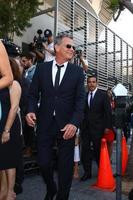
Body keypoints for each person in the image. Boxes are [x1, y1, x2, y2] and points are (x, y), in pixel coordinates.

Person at [26, 34, 85, 200]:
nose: (72, 49)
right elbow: (32, 95)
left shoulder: (77, 72)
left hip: (67, 126)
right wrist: (30, 111)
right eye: (68, 46)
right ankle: (51, 188)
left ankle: (62, 197)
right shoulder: (42, 69)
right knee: (43, 163)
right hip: (45, 124)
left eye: (73, 47)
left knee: (65, 167)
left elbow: (80, 102)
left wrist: (74, 123)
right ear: (56, 48)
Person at [80, 74, 112, 181]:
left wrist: (107, 127)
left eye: (93, 82)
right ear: (87, 83)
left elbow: (108, 112)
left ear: (96, 83)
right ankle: (87, 172)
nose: (91, 84)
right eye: (89, 82)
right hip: (86, 128)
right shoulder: (84, 95)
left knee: (99, 151)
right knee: (85, 151)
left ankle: (102, 171)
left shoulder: (103, 95)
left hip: (98, 129)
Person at [0, 57, 22, 200]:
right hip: (0, 125)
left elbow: (14, 108)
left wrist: (6, 130)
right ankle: (2, 190)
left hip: (10, 126)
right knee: (1, 161)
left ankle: (10, 192)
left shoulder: (14, 84)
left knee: (9, 161)